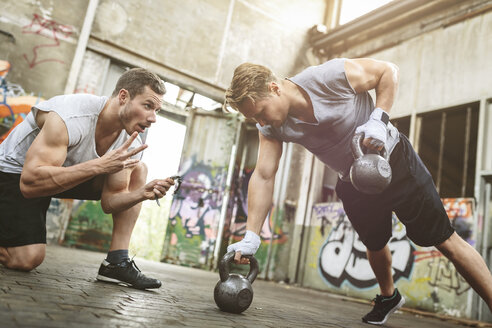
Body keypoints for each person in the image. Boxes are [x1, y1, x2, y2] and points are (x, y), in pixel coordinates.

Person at [224, 58, 492, 325]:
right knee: (374, 243)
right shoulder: (269, 127)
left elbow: (388, 71)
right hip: (353, 180)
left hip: (393, 161)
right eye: (254, 118)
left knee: (446, 240)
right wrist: (251, 234)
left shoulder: (327, 77)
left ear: (274, 88)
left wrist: (378, 118)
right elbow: (264, 174)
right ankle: (389, 297)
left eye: (260, 112)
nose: (260, 121)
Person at [0, 68, 176, 290]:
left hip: (63, 174)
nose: (153, 118)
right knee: (27, 258)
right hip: (15, 173)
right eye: (148, 106)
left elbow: (109, 202)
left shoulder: (130, 139)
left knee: (138, 168)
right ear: (123, 97)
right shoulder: (70, 117)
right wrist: (99, 166)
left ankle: (116, 262)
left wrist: (141, 194)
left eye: (157, 110)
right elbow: (30, 183)